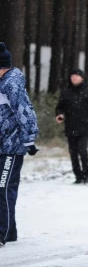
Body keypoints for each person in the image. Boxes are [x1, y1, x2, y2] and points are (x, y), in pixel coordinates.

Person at [0, 42, 39, 247]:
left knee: (4, 188)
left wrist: (29, 139)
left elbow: (25, 111)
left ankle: (2, 233)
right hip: (2, 144)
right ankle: (10, 231)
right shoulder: (3, 82)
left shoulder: (11, 84)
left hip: (11, 145)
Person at [55, 69, 88, 184]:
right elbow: (59, 107)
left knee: (82, 151)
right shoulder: (66, 92)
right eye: (72, 76)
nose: (74, 78)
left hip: (85, 127)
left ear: (82, 78)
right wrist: (59, 115)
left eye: (77, 76)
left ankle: (86, 175)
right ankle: (78, 176)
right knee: (73, 153)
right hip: (70, 127)